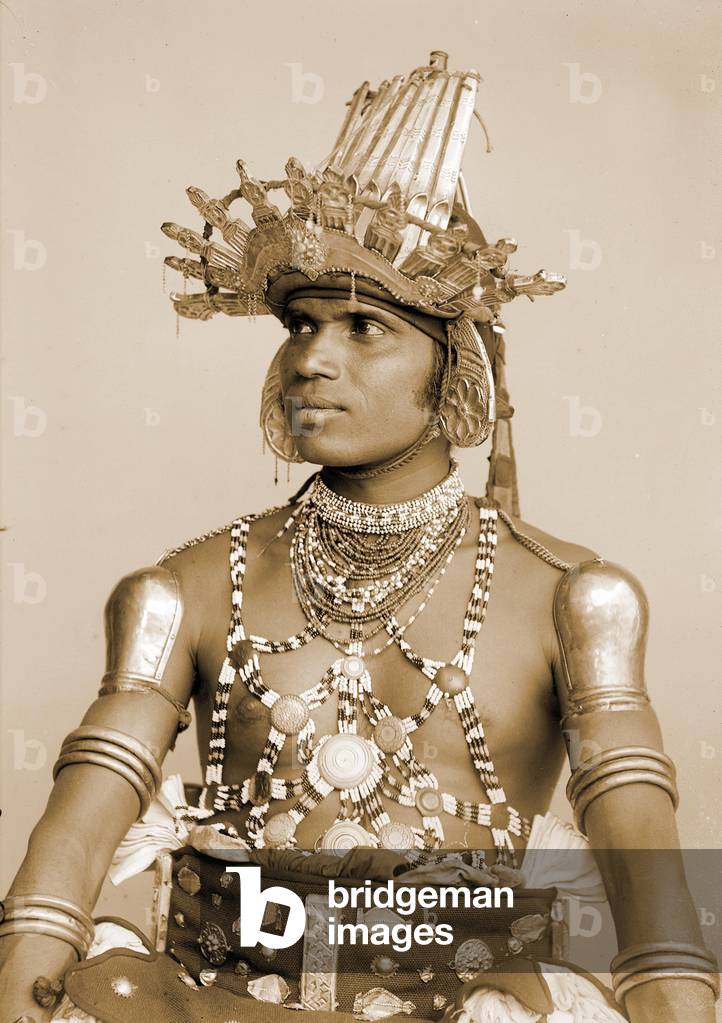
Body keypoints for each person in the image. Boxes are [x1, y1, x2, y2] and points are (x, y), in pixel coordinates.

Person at [0, 51, 717, 1023]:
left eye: (362, 326)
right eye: (298, 324)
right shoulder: (187, 587)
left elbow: (652, 905)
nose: (312, 359)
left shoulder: (573, 598)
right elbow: (70, 850)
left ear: (455, 363)